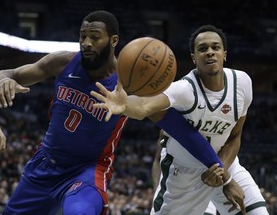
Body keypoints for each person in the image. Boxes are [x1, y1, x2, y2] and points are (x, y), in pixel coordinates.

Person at [0, 11, 225, 215]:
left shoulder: (130, 84)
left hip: (88, 170)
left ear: (113, 40)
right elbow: (7, 72)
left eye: (95, 37)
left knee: (79, 212)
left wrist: (214, 163)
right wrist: (2, 81)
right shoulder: (63, 62)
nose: (86, 43)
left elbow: (177, 126)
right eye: (83, 36)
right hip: (45, 163)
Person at [91, 24, 268, 214]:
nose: (210, 52)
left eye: (215, 47)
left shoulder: (242, 83)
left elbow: (234, 136)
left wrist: (222, 173)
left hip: (225, 164)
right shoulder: (184, 90)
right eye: (203, 49)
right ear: (194, 58)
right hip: (184, 174)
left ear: (224, 54)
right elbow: (144, 106)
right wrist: (125, 105)